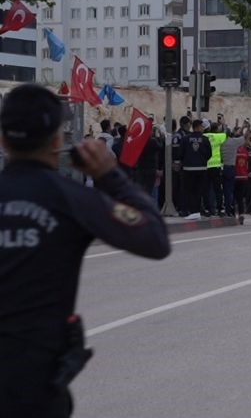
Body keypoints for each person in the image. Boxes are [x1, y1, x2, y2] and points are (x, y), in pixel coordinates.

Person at [0, 84, 171, 417]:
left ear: (4, 140)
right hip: (33, 387)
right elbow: (154, 238)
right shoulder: (71, 199)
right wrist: (110, 176)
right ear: (57, 140)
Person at [181, 119, 212, 220]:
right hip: (201, 169)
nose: (203, 128)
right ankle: (197, 211)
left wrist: (186, 161)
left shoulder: (185, 139)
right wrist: (202, 161)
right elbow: (209, 154)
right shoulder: (205, 139)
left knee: (189, 191)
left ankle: (192, 211)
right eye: (202, 126)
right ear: (197, 127)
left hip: (188, 169)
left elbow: (181, 153)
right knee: (199, 190)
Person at [220, 128, 245, 219]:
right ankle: (229, 211)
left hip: (221, 167)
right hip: (230, 168)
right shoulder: (233, 142)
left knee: (223, 191)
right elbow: (244, 137)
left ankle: (223, 209)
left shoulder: (220, 142)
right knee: (230, 191)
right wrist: (244, 127)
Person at [205, 122, 227, 216]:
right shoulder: (219, 136)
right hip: (216, 166)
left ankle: (207, 209)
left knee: (206, 189)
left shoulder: (205, 136)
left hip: (206, 166)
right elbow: (226, 134)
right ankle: (220, 209)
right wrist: (223, 124)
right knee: (217, 189)